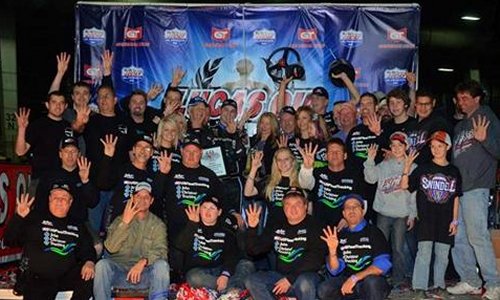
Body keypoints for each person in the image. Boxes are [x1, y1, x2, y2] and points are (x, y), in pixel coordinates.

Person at [447, 80, 500, 299]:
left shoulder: (488, 118)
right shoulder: (460, 126)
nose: (461, 102)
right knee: (458, 237)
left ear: (477, 99)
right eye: (459, 99)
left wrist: (485, 139)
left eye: (465, 98)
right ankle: (470, 280)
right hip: (458, 189)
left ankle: (494, 284)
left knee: (477, 236)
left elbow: (498, 151)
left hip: (476, 187)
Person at [5, 184, 96, 299]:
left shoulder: (77, 225)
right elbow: (10, 240)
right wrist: (19, 217)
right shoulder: (35, 218)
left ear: (70, 202)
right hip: (39, 278)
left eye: (64, 197)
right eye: (55, 197)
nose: (59, 200)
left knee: (90, 274)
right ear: (49, 199)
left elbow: (88, 249)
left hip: (65, 276)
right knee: (38, 285)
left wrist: (89, 262)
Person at [400, 131, 461, 299]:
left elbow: (456, 197)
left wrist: (455, 220)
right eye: (433, 146)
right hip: (426, 219)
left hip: (445, 219)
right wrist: (406, 168)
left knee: (442, 256)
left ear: (447, 147)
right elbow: (405, 186)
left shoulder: (454, 171)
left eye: (440, 146)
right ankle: (419, 287)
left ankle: (439, 285)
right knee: (424, 254)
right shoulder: (423, 168)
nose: (436, 149)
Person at [244, 187, 327, 300]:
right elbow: (254, 250)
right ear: (283, 208)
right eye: (288, 204)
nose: (293, 208)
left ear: (306, 206)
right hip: (281, 276)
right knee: (251, 280)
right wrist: (252, 229)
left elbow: (316, 259)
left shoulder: (316, 226)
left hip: (307, 276)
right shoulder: (277, 225)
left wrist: (290, 279)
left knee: (305, 283)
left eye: (297, 203)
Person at [93, 181, 170, 299]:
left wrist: (143, 262)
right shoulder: (119, 220)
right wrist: (125, 223)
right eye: (138, 196)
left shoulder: (158, 224)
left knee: (162, 266)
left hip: (144, 274)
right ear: (133, 198)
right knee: (102, 265)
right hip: (119, 273)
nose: (142, 200)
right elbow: (110, 247)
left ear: (151, 201)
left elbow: (162, 251)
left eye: (146, 197)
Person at [363, 132, 416, 290]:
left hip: (402, 213)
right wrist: (370, 160)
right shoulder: (384, 165)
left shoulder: (413, 166)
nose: (397, 148)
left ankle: (398, 279)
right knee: (380, 247)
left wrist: (413, 213)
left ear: (406, 147)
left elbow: (414, 193)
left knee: (398, 248)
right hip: (384, 213)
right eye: (393, 145)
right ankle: (380, 276)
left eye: (400, 145)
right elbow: (370, 178)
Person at [317, 194, 392, 300]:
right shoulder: (340, 235)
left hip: (370, 281)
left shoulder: (374, 232)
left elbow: (383, 264)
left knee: (372, 283)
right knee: (324, 289)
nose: (351, 210)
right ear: (344, 214)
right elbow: (335, 270)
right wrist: (332, 252)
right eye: (348, 207)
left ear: (362, 211)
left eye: (355, 206)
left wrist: (355, 278)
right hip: (348, 281)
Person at [176, 196, 254, 295]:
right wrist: (192, 225)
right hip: (200, 272)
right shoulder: (191, 225)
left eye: (212, 208)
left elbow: (232, 256)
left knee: (246, 264)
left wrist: (225, 275)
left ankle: (228, 289)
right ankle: (230, 290)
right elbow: (180, 246)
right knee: (193, 278)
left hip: (220, 269)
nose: (208, 211)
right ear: (199, 210)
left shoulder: (226, 231)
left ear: (219, 212)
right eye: (204, 207)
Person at [15, 91, 73, 195]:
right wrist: (22, 129)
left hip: (63, 180)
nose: (58, 106)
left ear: (66, 106)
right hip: (40, 180)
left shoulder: (69, 127)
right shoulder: (37, 125)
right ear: (47, 105)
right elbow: (20, 152)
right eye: (54, 102)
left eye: (61, 103)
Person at [299, 138, 365, 227]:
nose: (334, 154)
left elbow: (362, 203)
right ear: (326, 156)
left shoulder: (355, 175)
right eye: (331, 152)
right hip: (320, 226)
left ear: (345, 156)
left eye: (338, 151)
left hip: (345, 226)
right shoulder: (318, 173)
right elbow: (305, 184)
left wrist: (348, 219)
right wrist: (307, 168)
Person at [34, 136, 98, 225]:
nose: (70, 155)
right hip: (52, 224)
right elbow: (39, 205)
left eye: (73, 151)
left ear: (79, 154)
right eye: (66, 151)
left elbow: (93, 203)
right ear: (60, 154)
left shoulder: (86, 172)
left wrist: (85, 181)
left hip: (78, 225)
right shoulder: (49, 176)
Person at [244, 147, 299, 228]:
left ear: (293, 160)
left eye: (286, 159)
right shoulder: (269, 181)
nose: (283, 162)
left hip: (296, 228)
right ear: (275, 162)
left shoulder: (301, 180)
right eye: (279, 160)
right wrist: (254, 169)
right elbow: (248, 193)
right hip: (273, 229)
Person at [408, 89, 453, 164]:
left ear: (433, 103)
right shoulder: (411, 124)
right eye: (420, 104)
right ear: (415, 104)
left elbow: (441, 151)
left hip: (429, 171)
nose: (423, 108)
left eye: (427, 104)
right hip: (411, 170)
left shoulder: (439, 123)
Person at [247, 112, 279, 179]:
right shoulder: (253, 140)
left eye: (267, 124)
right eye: (262, 122)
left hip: (269, 178)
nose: (264, 126)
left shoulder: (276, 142)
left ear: (273, 126)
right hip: (252, 177)